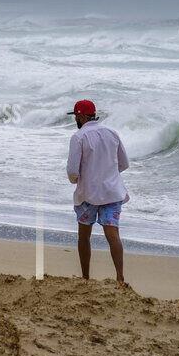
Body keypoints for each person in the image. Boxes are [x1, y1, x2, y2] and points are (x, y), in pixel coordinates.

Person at [66, 99, 130, 287]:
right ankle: (120, 278)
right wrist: (107, 175)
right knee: (113, 235)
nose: (76, 119)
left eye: (76, 116)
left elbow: (72, 172)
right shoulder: (112, 133)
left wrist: (79, 180)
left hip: (88, 195)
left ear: (82, 116)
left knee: (84, 236)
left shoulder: (79, 137)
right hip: (112, 192)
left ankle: (85, 278)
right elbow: (123, 163)